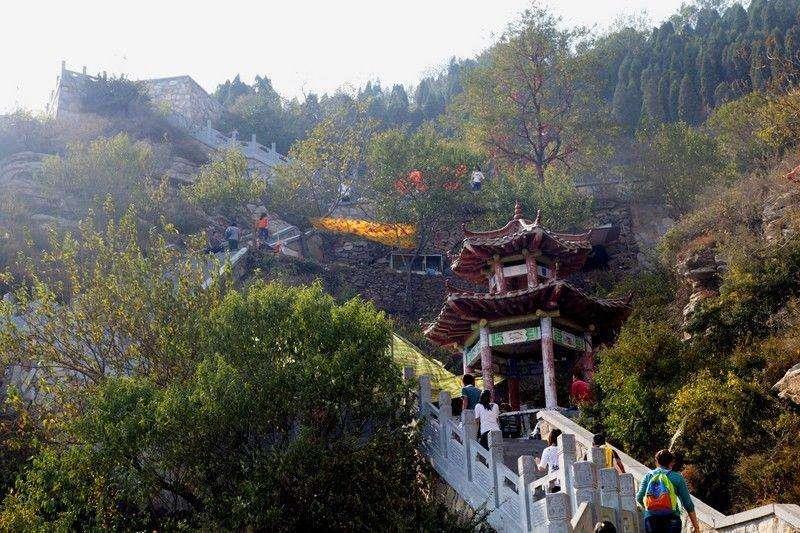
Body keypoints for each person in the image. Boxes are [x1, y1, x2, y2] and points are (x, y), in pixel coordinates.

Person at [637, 449, 700, 533]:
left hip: (651, 519)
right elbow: (688, 504)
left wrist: (650, 507)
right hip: (672, 518)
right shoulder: (677, 478)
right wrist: (696, 527)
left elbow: (639, 497)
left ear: (657, 461)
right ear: (672, 463)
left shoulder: (648, 476)